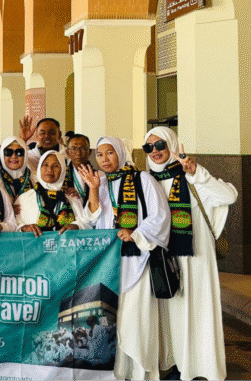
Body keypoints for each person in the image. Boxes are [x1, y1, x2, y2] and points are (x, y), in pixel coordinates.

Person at [144, 126, 237, 381]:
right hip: (164, 260)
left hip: (195, 258)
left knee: (198, 311)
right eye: (149, 147)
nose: (155, 151)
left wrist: (196, 173)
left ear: (172, 146)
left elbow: (228, 196)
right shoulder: (146, 182)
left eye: (160, 145)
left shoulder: (190, 176)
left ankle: (201, 367)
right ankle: (176, 363)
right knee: (170, 313)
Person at [75, 137, 170, 380]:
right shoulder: (100, 182)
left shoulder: (142, 180)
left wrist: (136, 234)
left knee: (137, 319)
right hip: (110, 263)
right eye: (100, 154)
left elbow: (159, 215)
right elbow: (92, 218)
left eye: (110, 153)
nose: (105, 159)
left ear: (120, 153)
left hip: (136, 259)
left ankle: (141, 372)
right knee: (111, 320)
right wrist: (93, 189)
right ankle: (117, 373)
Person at [15, 150, 84, 236]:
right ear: (39, 168)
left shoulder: (71, 197)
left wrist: (75, 226)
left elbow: (85, 224)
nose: (50, 169)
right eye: (45, 165)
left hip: (66, 244)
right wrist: (23, 228)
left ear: (63, 170)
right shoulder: (24, 198)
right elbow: (13, 226)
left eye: (56, 166)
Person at [0, 136, 34, 205]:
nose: (14, 156)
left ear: (25, 155)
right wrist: (7, 209)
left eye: (19, 152)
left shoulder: (36, 180)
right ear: (2, 155)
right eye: (8, 152)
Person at [64, 133, 92, 206]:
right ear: (67, 153)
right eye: (74, 149)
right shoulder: (62, 175)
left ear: (89, 152)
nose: (78, 153)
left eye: (83, 148)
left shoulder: (98, 175)